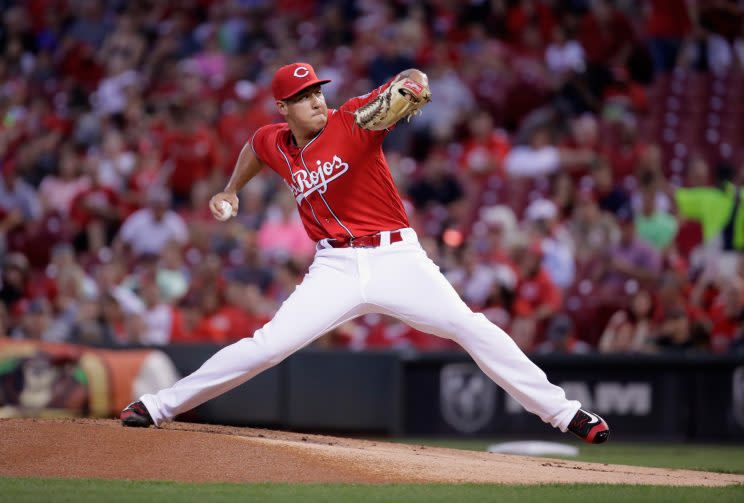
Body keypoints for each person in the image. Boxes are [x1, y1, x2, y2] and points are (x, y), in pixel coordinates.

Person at [120, 62, 609, 444]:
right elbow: (254, 145)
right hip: (334, 266)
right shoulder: (277, 142)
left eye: (316, 90)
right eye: (301, 97)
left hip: (396, 257)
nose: (314, 100)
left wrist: (411, 86)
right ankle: (159, 406)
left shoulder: (354, 120)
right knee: (267, 346)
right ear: (282, 108)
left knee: (468, 325)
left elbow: (412, 80)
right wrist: (231, 189)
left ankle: (565, 412)